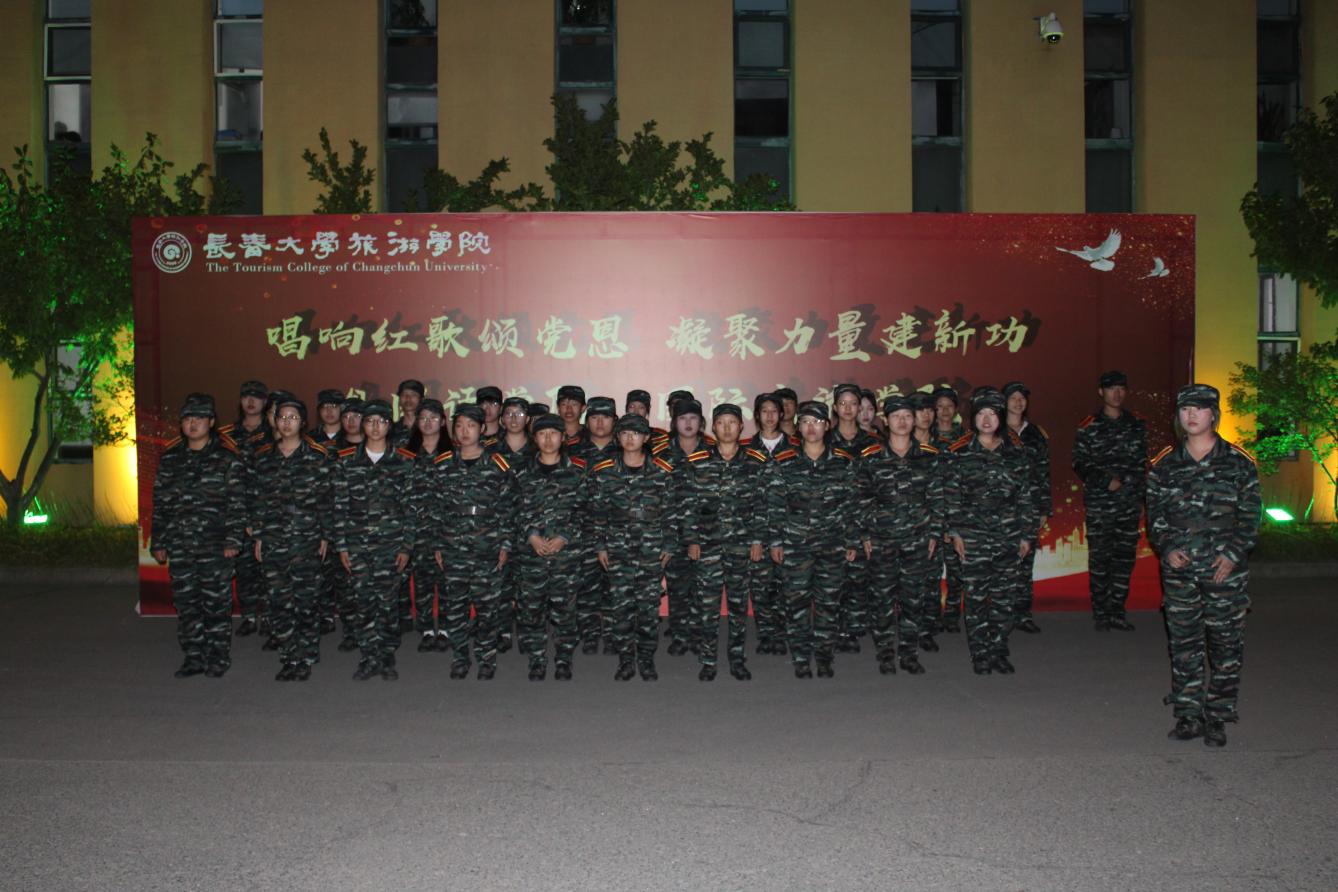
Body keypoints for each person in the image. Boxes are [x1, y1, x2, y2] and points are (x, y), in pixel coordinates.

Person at [1147, 384, 1259, 748]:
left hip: (1224, 572)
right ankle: (1189, 715)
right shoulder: (1164, 464)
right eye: (1185, 409)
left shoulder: (1239, 462)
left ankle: (1219, 716)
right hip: (1180, 571)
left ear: (1214, 414)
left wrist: (1233, 555)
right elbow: (1155, 518)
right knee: (1184, 645)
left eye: (1199, 408)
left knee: (1226, 645)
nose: (1191, 415)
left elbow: (1251, 518)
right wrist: (1167, 548)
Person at [150, 393, 246, 678]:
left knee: (216, 604)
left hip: (215, 547)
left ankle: (218, 657)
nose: (193, 424)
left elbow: (237, 504)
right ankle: (194, 656)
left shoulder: (226, 459)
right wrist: (159, 541)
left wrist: (233, 541)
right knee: (187, 603)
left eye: (200, 418)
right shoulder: (171, 460)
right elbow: (161, 504)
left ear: (211, 422)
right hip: (180, 545)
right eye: (188, 419)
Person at [945, 388, 1038, 675]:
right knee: (975, 598)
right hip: (973, 537)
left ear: (1001, 417)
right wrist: (956, 534)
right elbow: (951, 498)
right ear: (973, 417)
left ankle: (999, 650)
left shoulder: (1016, 453)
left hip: (1008, 535)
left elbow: (1026, 497)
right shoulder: (959, 452)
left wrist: (1026, 535)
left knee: (1004, 598)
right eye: (981, 413)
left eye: (993, 414)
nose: (987, 419)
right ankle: (980, 654)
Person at [768, 401, 860, 679]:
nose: (811, 427)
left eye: (817, 422)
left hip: (832, 545)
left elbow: (851, 505)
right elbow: (775, 505)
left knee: (829, 604)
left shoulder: (843, 461)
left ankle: (824, 657)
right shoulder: (784, 461)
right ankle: (800, 658)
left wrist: (852, 541)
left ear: (827, 426)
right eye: (806, 421)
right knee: (796, 604)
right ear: (798, 426)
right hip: (796, 546)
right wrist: (776, 542)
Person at [427, 403, 517, 680]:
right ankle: (459, 658)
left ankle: (486, 659)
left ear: (482, 429)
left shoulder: (498, 464)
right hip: (453, 546)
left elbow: (509, 508)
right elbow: (435, 509)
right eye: (459, 426)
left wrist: (505, 544)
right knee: (455, 607)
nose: (464, 431)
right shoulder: (442, 464)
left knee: (488, 608)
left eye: (471, 426)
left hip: (487, 545)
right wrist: (437, 544)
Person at [681, 404, 769, 681]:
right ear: (713, 427)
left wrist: (757, 540)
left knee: (738, 608)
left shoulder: (755, 461)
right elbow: (687, 505)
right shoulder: (697, 461)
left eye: (732, 422)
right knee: (707, 607)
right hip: (707, 546)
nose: (727, 428)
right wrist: (692, 539)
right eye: (721, 422)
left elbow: (762, 505)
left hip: (741, 546)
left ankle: (737, 659)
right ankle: (708, 661)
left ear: (741, 426)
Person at [332, 399, 417, 681]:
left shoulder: (404, 461)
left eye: (381, 421)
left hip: (391, 546)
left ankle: (387, 656)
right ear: (363, 425)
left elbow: (411, 509)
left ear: (389, 425)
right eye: (370, 421)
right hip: (357, 545)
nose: (375, 427)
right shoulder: (346, 461)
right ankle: (369, 657)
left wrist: (407, 546)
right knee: (363, 602)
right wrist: (342, 546)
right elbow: (340, 507)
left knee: (388, 604)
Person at [249, 396, 333, 681]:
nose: (286, 422)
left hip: (306, 540)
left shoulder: (317, 456)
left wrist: (325, 536)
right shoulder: (264, 457)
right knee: (279, 602)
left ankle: (306, 654)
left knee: (306, 602)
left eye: (292, 418)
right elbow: (258, 500)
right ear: (274, 421)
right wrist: (259, 536)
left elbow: (326, 500)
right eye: (282, 417)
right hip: (273, 540)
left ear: (303, 423)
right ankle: (289, 656)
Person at [858, 395, 942, 675]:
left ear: (914, 419)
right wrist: (864, 534)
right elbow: (861, 499)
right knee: (882, 599)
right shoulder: (871, 457)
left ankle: (909, 653)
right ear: (886, 421)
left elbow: (937, 498)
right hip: (882, 540)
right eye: (896, 416)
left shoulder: (928, 457)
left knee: (912, 598)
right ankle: (885, 653)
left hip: (917, 539)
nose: (902, 421)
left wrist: (934, 533)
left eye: (907, 416)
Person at [591, 413, 677, 682]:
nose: (630, 438)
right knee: (622, 609)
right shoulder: (605, 472)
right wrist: (600, 546)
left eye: (636, 433)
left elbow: (671, 513)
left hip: (651, 548)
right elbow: (599, 514)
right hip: (618, 549)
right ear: (618, 437)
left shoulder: (661, 471)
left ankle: (647, 660)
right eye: (625, 433)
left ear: (646, 437)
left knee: (648, 609)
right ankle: (626, 661)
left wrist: (669, 545)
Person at [512, 413, 591, 681]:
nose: (548, 439)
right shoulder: (521, 472)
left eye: (554, 434)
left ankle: (563, 659)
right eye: (542, 434)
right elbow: (512, 509)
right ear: (534, 438)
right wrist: (532, 536)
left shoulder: (578, 471)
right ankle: (537, 659)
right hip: (531, 555)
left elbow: (586, 511)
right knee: (532, 610)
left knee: (565, 610)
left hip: (566, 555)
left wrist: (564, 536)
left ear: (563, 437)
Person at [1073, 370, 1149, 631]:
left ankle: (1117, 611)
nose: (1116, 393)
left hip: (1128, 503)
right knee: (1100, 560)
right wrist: (1105, 480)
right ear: (1101, 392)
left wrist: (1141, 498)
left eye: (1121, 388)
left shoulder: (1136, 424)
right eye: (1111, 388)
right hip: (1100, 504)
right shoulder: (1089, 425)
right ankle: (1101, 613)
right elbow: (1079, 463)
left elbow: (1142, 464)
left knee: (1124, 560)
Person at [830, 383, 883, 653]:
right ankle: (836, 629)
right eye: (843, 403)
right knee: (833, 578)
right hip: (832, 521)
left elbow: (879, 486)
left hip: (863, 521)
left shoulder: (873, 443)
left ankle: (852, 628)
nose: (849, 408)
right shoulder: (824, 440)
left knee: (859, 577)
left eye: (854, 403)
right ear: (835, 408)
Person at [743, 392, 796, 655]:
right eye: (764, 411)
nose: (770, 416)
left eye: (774, 410)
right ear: (757, 415)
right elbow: (745, 498)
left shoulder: (795, 448)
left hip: (789, 531)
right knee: (761, 586)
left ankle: (782, 634)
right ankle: (766, 635)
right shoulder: (746, 450)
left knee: (786, 585)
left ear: (781, 414)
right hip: (757, 532)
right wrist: (754, 537)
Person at [568, 396, 620, 653]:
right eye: (594, 417)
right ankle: (589, 633)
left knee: (614, 583)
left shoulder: (626, 449)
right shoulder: (572, 451)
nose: (600, 423)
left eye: (606, 417)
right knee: (586, 583)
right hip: (582, 529)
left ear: (614, 420)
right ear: (586, 421)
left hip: (617, 530)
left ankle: (611, 634)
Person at [219, 379, 270, 638]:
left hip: (267, 510)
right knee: (244, 568)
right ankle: (249, 616)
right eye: (246, 396)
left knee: (269, 568)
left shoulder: (275, 433)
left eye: (256, 397)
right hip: (236, 510)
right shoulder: (225, 435)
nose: (251, 401)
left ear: (265, 402)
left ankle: (270, 617)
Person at [661, 397, 712, 656]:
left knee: (703, 588)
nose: (688, 423)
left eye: (693, 418)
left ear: (701, 422)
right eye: (682, 418)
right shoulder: (662, 455)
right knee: (678, 587)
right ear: (674, 422)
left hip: (707, 534)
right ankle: (680, 635)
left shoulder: (713, 453)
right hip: (674, 533)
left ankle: (699, 635)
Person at [1003, 381, 1051, 634]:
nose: (1018, 402)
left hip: (1029, 507)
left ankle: (1022, 614)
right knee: (1001, 562)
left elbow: (1044, 472)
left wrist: (1044, 508)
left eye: (1022, 398)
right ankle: (1001, 614)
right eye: (1013, 398)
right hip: (1001, 508)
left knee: (1025, 561)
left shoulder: (1036, 433)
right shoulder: (993, 431)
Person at [405, 398, 452, 653]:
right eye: (423, 418)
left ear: (443, 422)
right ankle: (425, 629)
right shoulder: (406, 455)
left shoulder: (453, 454)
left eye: (433, 418)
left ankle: (444, 629)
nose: (428, 422)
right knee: (422, 582)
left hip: (446, 530)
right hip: (418, 530)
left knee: (446, 581)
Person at [930, 385, 965, 635]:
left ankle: (952, 615)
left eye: (949, 406)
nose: (944, 411)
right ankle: (931, 616)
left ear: (956, 410)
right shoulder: (924, 437)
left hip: (958, 514)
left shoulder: (967, 439)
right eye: (940, 407)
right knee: (930, 572)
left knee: (956, 571)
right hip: (931, 515)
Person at [490, 396, 534, 461]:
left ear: (527, 419)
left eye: (519, 414)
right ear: (502, 419)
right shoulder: (490, 447)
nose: (514, 418)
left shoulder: (537, 447)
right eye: (509, 414)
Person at [391, 378, 425, 447]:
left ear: (421, 399)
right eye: (404, 394)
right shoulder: (392, 429)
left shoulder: (428, 427)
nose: (408, 398)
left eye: (413, 395)